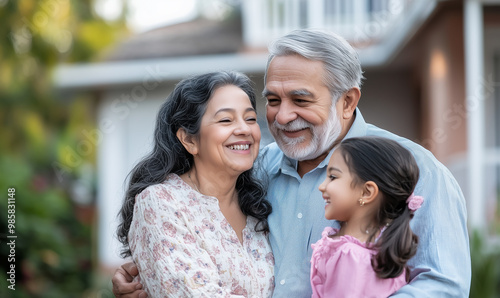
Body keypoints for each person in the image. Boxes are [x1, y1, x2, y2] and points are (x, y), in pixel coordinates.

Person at [113, 29, 471, 297]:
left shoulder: (415, 170)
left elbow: (443, 285)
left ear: (347, 102)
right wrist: (147, 277)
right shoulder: (257, 170)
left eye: (300, 99)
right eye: (272, 99)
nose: (283, 117)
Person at [116, 71, 275, 297]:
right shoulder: (161, 204)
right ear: (189, 140)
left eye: (250, 118)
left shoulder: (261, 203)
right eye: (226, 120)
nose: (244, 129)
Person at [311, 136, 423, 297]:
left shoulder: (351, 258)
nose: (322, 186)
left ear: (366, 192)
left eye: (333, 177)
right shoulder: (381, 254)